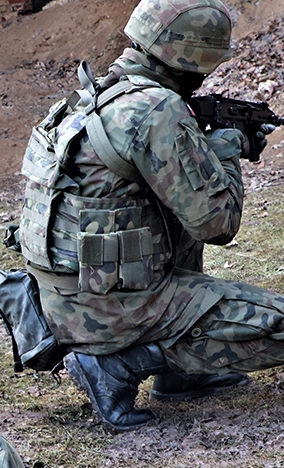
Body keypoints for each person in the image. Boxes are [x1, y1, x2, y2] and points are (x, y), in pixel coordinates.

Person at [17, 0, 281, 433]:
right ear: (192, 57)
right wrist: (227, 153)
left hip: (63, 299)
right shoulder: (156, 111)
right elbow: (218, 224)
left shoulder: (92, 95)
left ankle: (182, 374)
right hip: (114, 311)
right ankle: (121, 364)